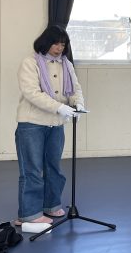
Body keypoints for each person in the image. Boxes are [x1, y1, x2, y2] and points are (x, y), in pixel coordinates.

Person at [14, 25, 85, 225]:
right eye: (55, 43)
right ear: (46, 42)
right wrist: (59, 107)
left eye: (63, 44)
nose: (59, 48)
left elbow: (75, 88)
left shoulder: (66, 64)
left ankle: (51, 205)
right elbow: (32, 93)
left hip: (56, 125)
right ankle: (29, 215)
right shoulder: (30, 63)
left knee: (53, 167)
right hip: (32, 124)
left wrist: (78, 104)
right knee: (32, 170)